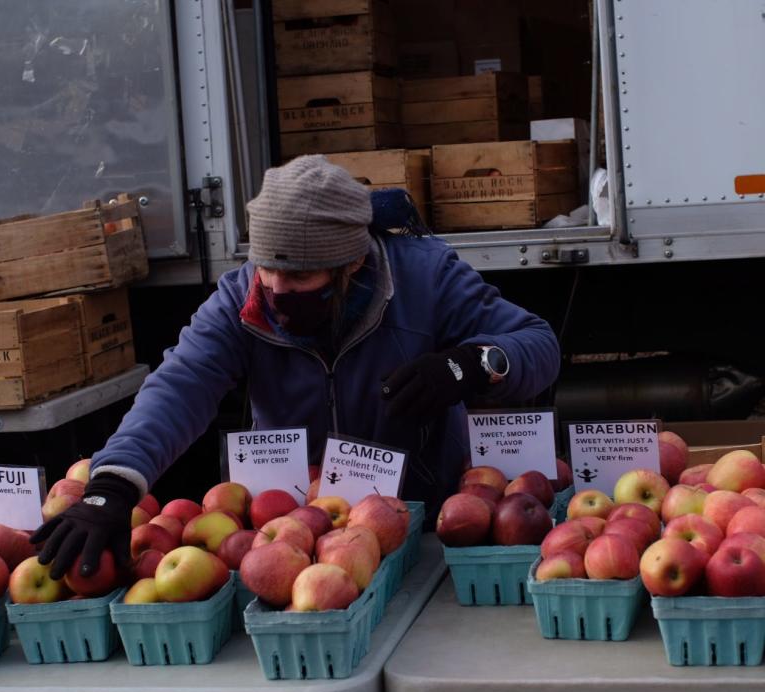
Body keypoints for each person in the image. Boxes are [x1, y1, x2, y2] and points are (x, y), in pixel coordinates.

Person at [31, 155, 561, 578]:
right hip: (288, 540)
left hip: (419, 527)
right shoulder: (242, 299)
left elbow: (537, 343)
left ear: (352, 262)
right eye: (268, 270)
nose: (278, 291)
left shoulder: (424, 277)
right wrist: (114, 485)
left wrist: (470, 365)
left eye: (301, 278)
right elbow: (180, 384)